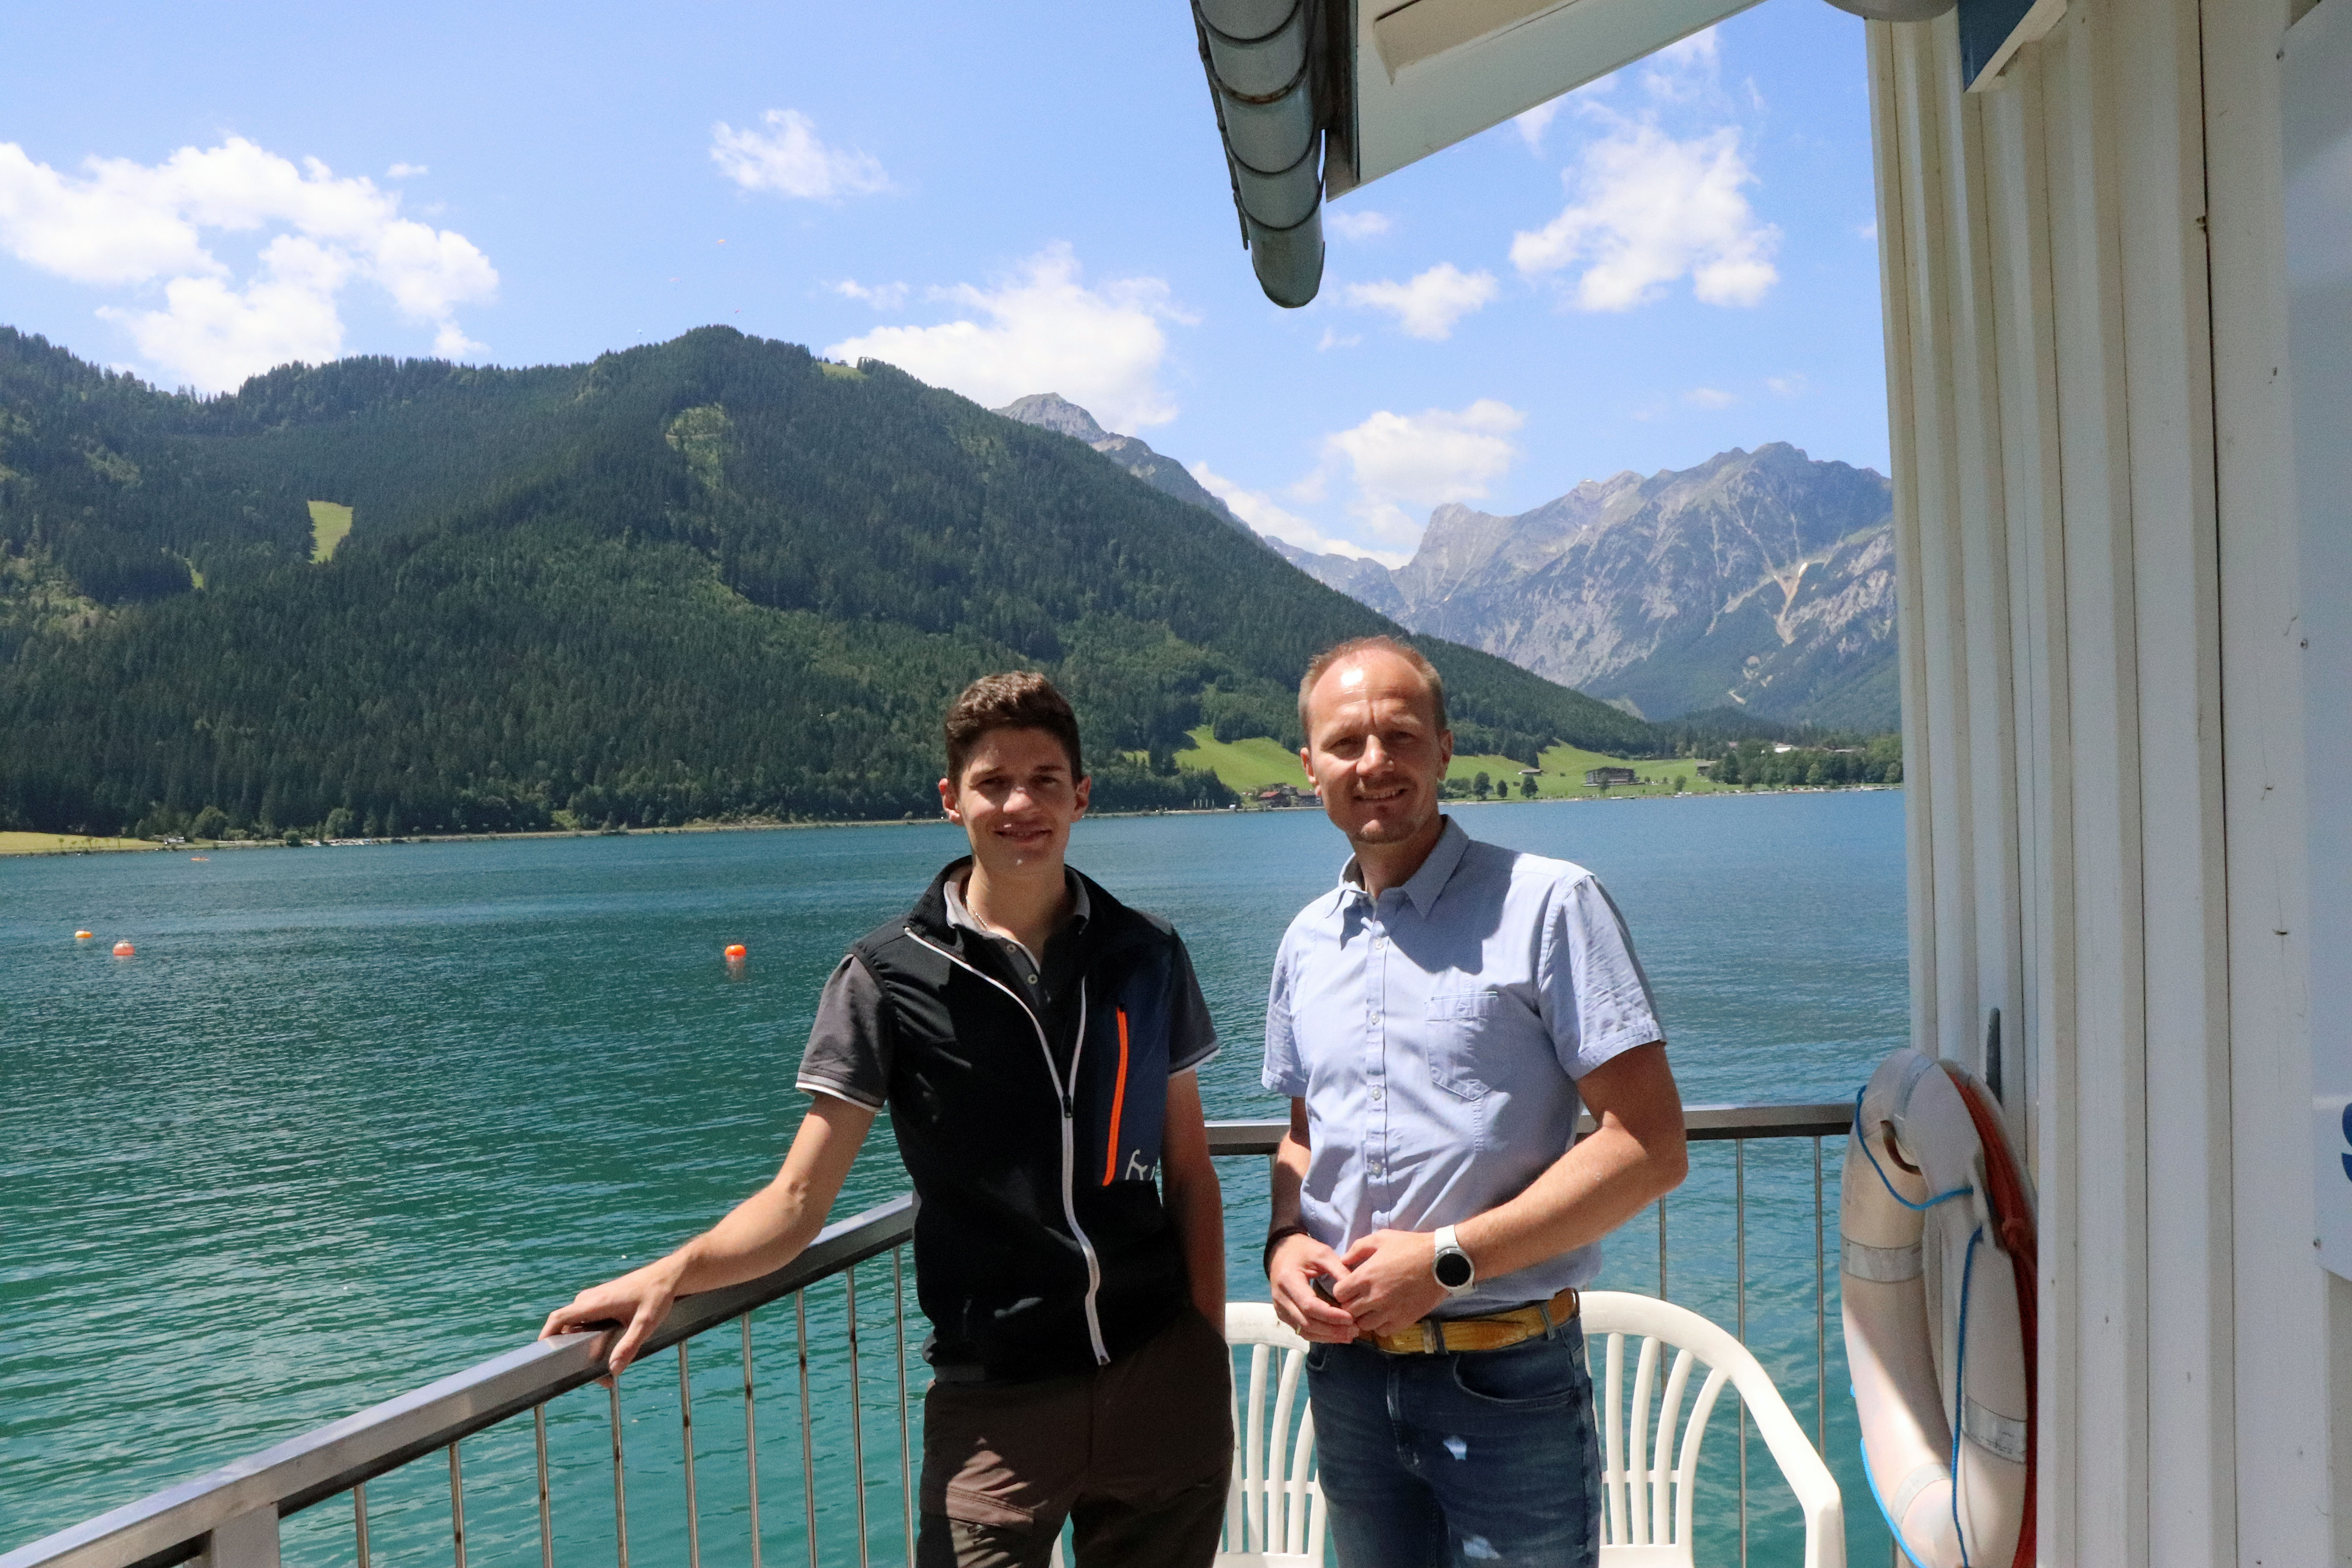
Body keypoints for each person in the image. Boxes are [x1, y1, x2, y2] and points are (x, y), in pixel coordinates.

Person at [543, 672, 1232, 1568]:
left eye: (1045, 779)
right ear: (952, 800)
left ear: (1081, 796)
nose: (1021, 802)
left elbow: (1189, 1171)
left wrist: (1206, 1353)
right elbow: (799, 1197)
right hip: (998, 1407)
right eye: (993, 782)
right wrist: (678, 1271)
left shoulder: (1148, 952)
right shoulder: (886, 977)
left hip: (1161, 1380)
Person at [1260, 636, 1690, 1568]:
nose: (1373, 763)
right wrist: (1285, 1240)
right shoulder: (1305, 942)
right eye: (1345, 743)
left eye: (1399, 736)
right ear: (1309, 767)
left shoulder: (1550, 905)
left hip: (1506, 1379)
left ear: (1444, 748)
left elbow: (1650, 1146)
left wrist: (1446, 1262)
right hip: (1349, 1381)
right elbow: (1303, 1136)